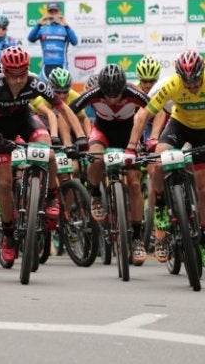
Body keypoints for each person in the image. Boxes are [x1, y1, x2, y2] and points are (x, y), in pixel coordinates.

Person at [0, 46, 87, 264]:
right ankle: (9, 236)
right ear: (5, 71)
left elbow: (63, 107)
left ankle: (51, 196)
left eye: (23, 74)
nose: (20, 80)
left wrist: (79, 136)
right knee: (3, 183)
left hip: (25, 122)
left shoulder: (35, 83)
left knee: (48, 152)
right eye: (14, 76)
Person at [126, 49, 205, 270]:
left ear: (202, 73)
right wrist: (131, 147)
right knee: (157, 161)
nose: (192, 86)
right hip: (179, 126)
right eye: (187, 82)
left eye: (195, 81)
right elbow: (143, 115)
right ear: (180, 77)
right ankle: (159, 205)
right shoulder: (172, 84)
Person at [69, 64, 151, 266]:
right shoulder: (93, 92)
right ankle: (95, 193)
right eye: (108, 94)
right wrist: (78, 137)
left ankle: (137, 238)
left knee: (133, 183)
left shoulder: (134, 92)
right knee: (95, 158)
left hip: (128, 135)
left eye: (117, 94)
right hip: (102, 132)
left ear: (124, 87)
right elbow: (68, 111)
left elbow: (156, 110)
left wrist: (152, 139)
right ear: (101, 88)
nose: (112, 99)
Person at [27, 3, 78, 80]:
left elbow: (75, 42)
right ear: (47, 14)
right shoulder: (43, 28)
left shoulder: (65, 28)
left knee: (62, 89)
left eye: (55, 12)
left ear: (60, 13)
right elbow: (31, 38)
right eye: (51, 12)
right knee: (44, 90)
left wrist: (66, 25)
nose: (53, 14)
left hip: (62, 65)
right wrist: (39, 24)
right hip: (46, 65)